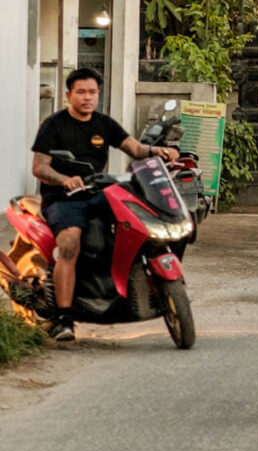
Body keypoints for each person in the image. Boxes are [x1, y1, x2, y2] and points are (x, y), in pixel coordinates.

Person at [31, 67, 180, 342]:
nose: (87, 98)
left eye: (92, 92)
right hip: (64, 198)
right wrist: (65, 180)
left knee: (138, 224)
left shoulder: (103, 123)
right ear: (69, 95)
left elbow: (134, 149)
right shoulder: (53, 125)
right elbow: (39, 168)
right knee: (70, 244)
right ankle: (64, 318)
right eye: (81, 92)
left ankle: (131, 288)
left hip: (100, 192)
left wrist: (158, 151)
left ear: (98, 95)